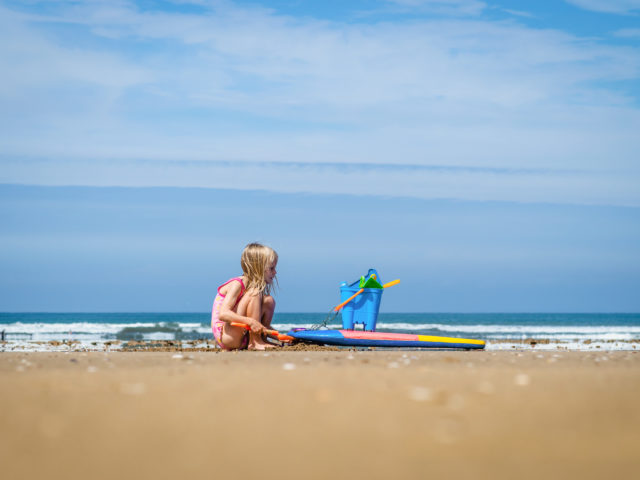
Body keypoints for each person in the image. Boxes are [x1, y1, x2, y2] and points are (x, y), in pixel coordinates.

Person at [211, 243, 278, 350]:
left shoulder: (254, 288)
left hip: (242, 337)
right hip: (228, 337)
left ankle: (261, 339)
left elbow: (261, 326)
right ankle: (255, 342)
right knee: (254, 293)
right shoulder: (237, 284)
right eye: (271, 268)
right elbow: (223, 314)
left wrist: (281, 337)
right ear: (258, 267)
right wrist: (250, 321)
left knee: (269, 301)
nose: (275, 272)